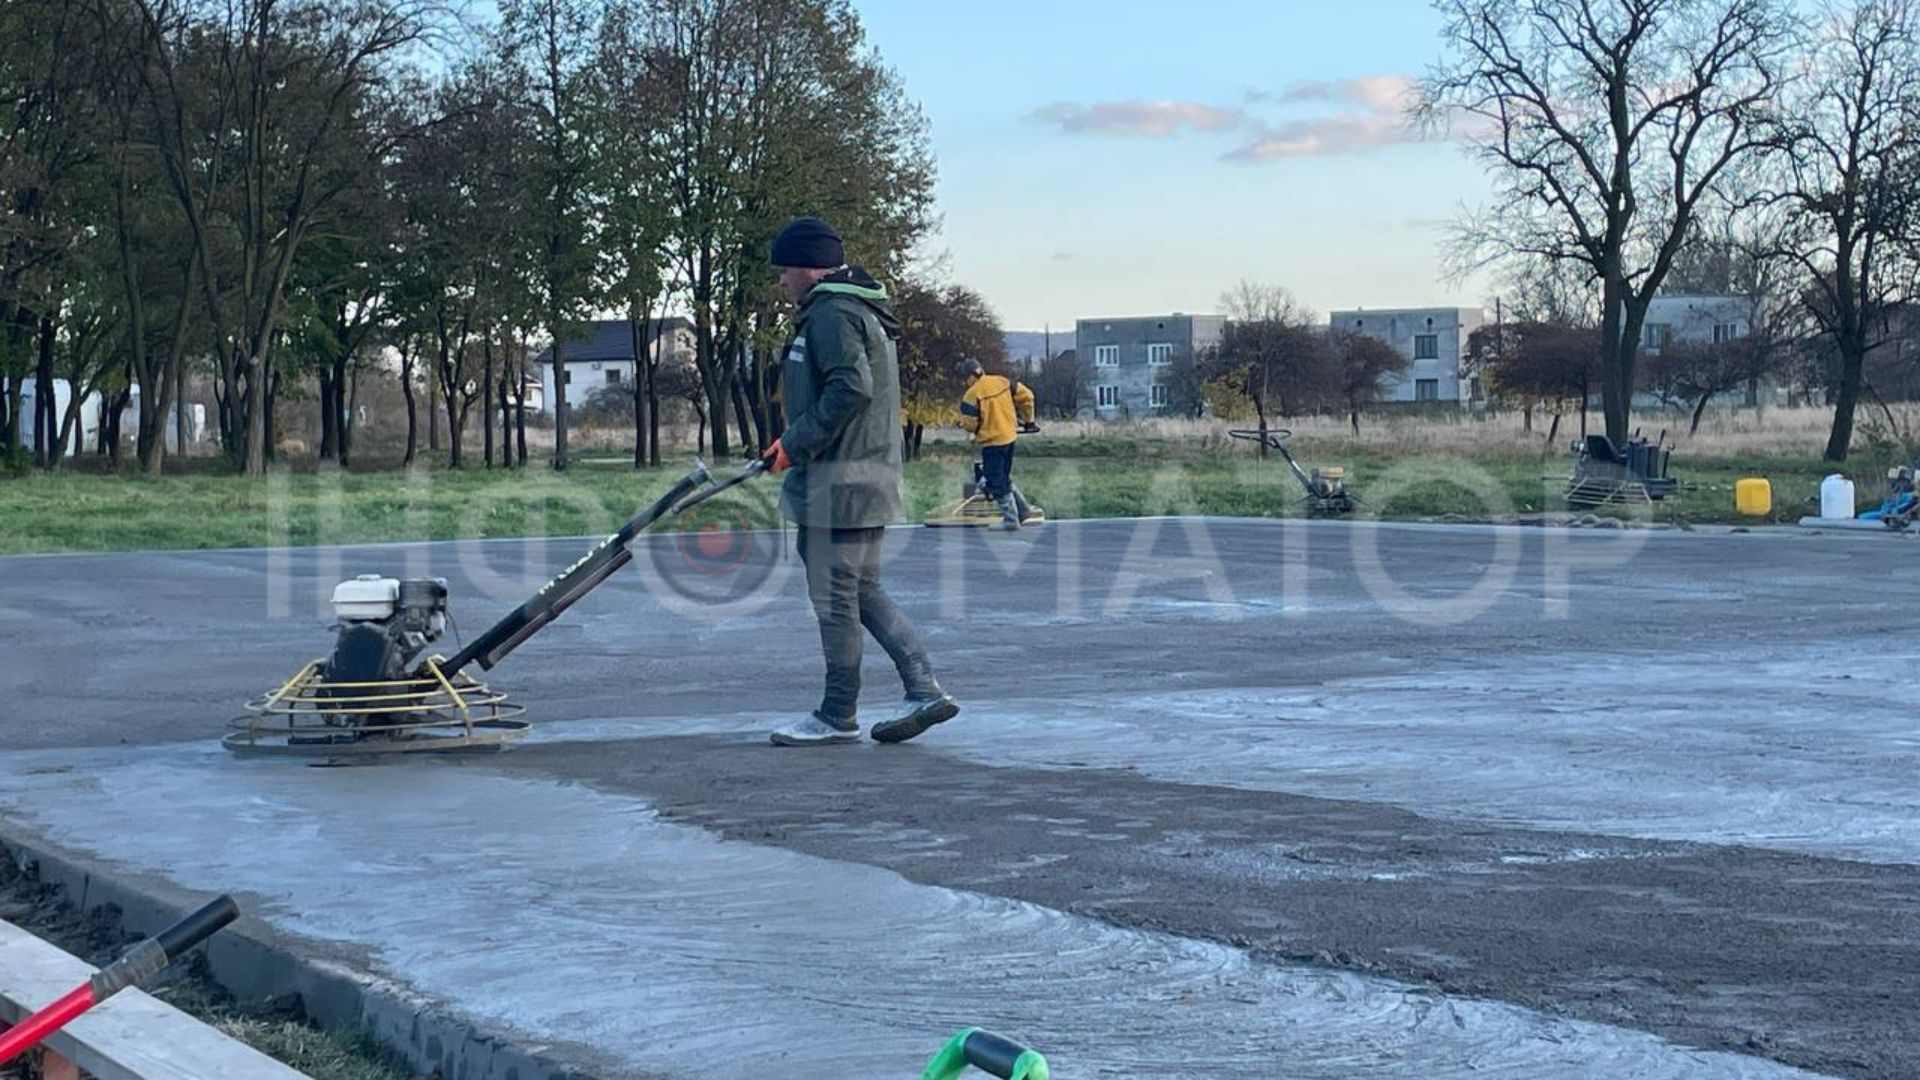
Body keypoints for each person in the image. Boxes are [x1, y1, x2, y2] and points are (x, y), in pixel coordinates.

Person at [757, 216, 959, 747]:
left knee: (835, 597)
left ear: (807, 268)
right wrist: (793, 444)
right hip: (855, 477)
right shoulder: (853, 310)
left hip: (841, 484)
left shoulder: (833, 313)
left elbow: (851, 389)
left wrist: (797, 442)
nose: (782, 283)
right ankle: (924, 689)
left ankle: (836, 712)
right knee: (859, 590)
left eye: (785, 273)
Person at [959, 360, 1039, 529]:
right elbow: (1028, 396)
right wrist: (1029, 420)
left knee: (995, 481)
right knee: (1002, 477)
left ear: (968, 377)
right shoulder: (1003, 382)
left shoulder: (971, 395)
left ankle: (1011, 520)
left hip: (992, 442)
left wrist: (962, 423)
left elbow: (971, 425)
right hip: (1009, 438)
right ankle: (1023, 511)